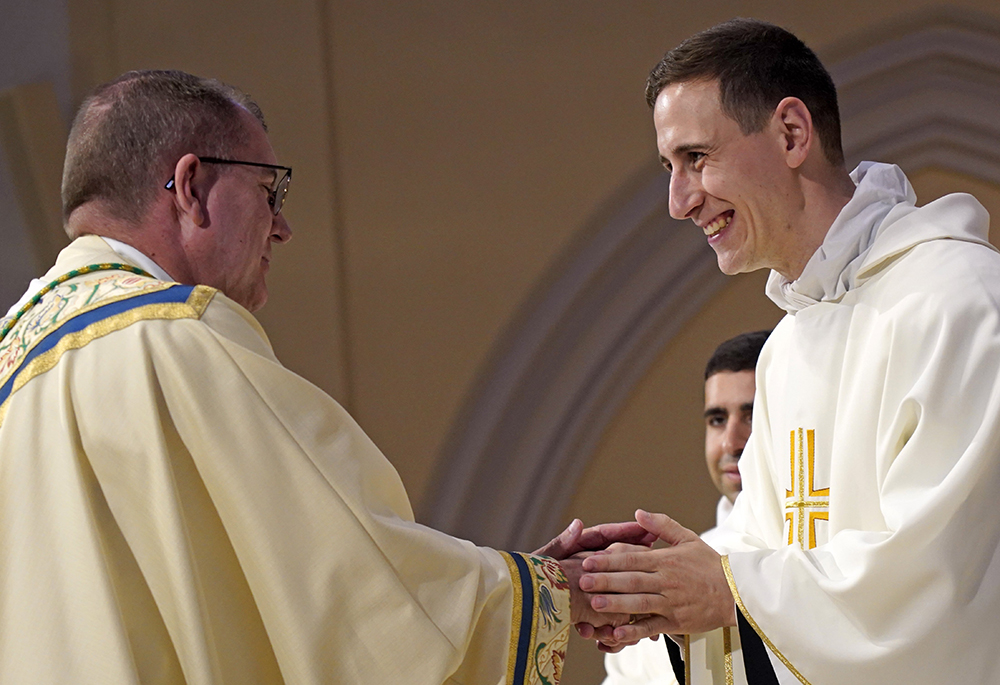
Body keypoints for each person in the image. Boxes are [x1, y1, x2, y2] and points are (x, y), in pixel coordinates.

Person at [0, 69, 648, 684]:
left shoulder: (12, 371)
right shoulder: (174, 337)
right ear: (191, 187)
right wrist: (551, 591)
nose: (282, 227)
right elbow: (345, 582)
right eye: (268, 190)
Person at [576, 18, 1000, 684]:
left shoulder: (956, 301)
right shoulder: (789, 348)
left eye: (696, 158)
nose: (678, 201)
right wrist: (667, 598)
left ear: (792, 134)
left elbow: (941, 584)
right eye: (669, 168)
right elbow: (760, 554)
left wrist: (725, 589)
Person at [602, 330, 769, 685]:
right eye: (717, 420)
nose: (730, 442)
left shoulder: (817, 559)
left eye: (751, 417)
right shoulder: (663, 580)